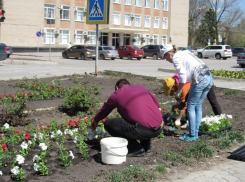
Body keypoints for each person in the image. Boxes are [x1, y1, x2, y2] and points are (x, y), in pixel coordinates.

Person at [91, 79, 164, 157]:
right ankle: (146, 146)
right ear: (129, 85)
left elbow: (104, 110)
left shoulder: (116, 94)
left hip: (143, 131)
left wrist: (96, 120)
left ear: (116, 87)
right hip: (160, 127)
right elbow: (157, 104)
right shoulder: (141, 88)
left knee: (108, 124)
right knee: (141, 116)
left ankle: (136, 148)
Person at [162, 44, 213, 141]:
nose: (166, 60)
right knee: (198, 105)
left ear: (169, 53)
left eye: (165, 57)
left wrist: (179, 90)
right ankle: (195, 133)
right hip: (209, 77)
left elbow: (182, 76)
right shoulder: (184, 52)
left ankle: (192, 134)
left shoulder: (176, 58)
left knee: (191, 105)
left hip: (200, 79)